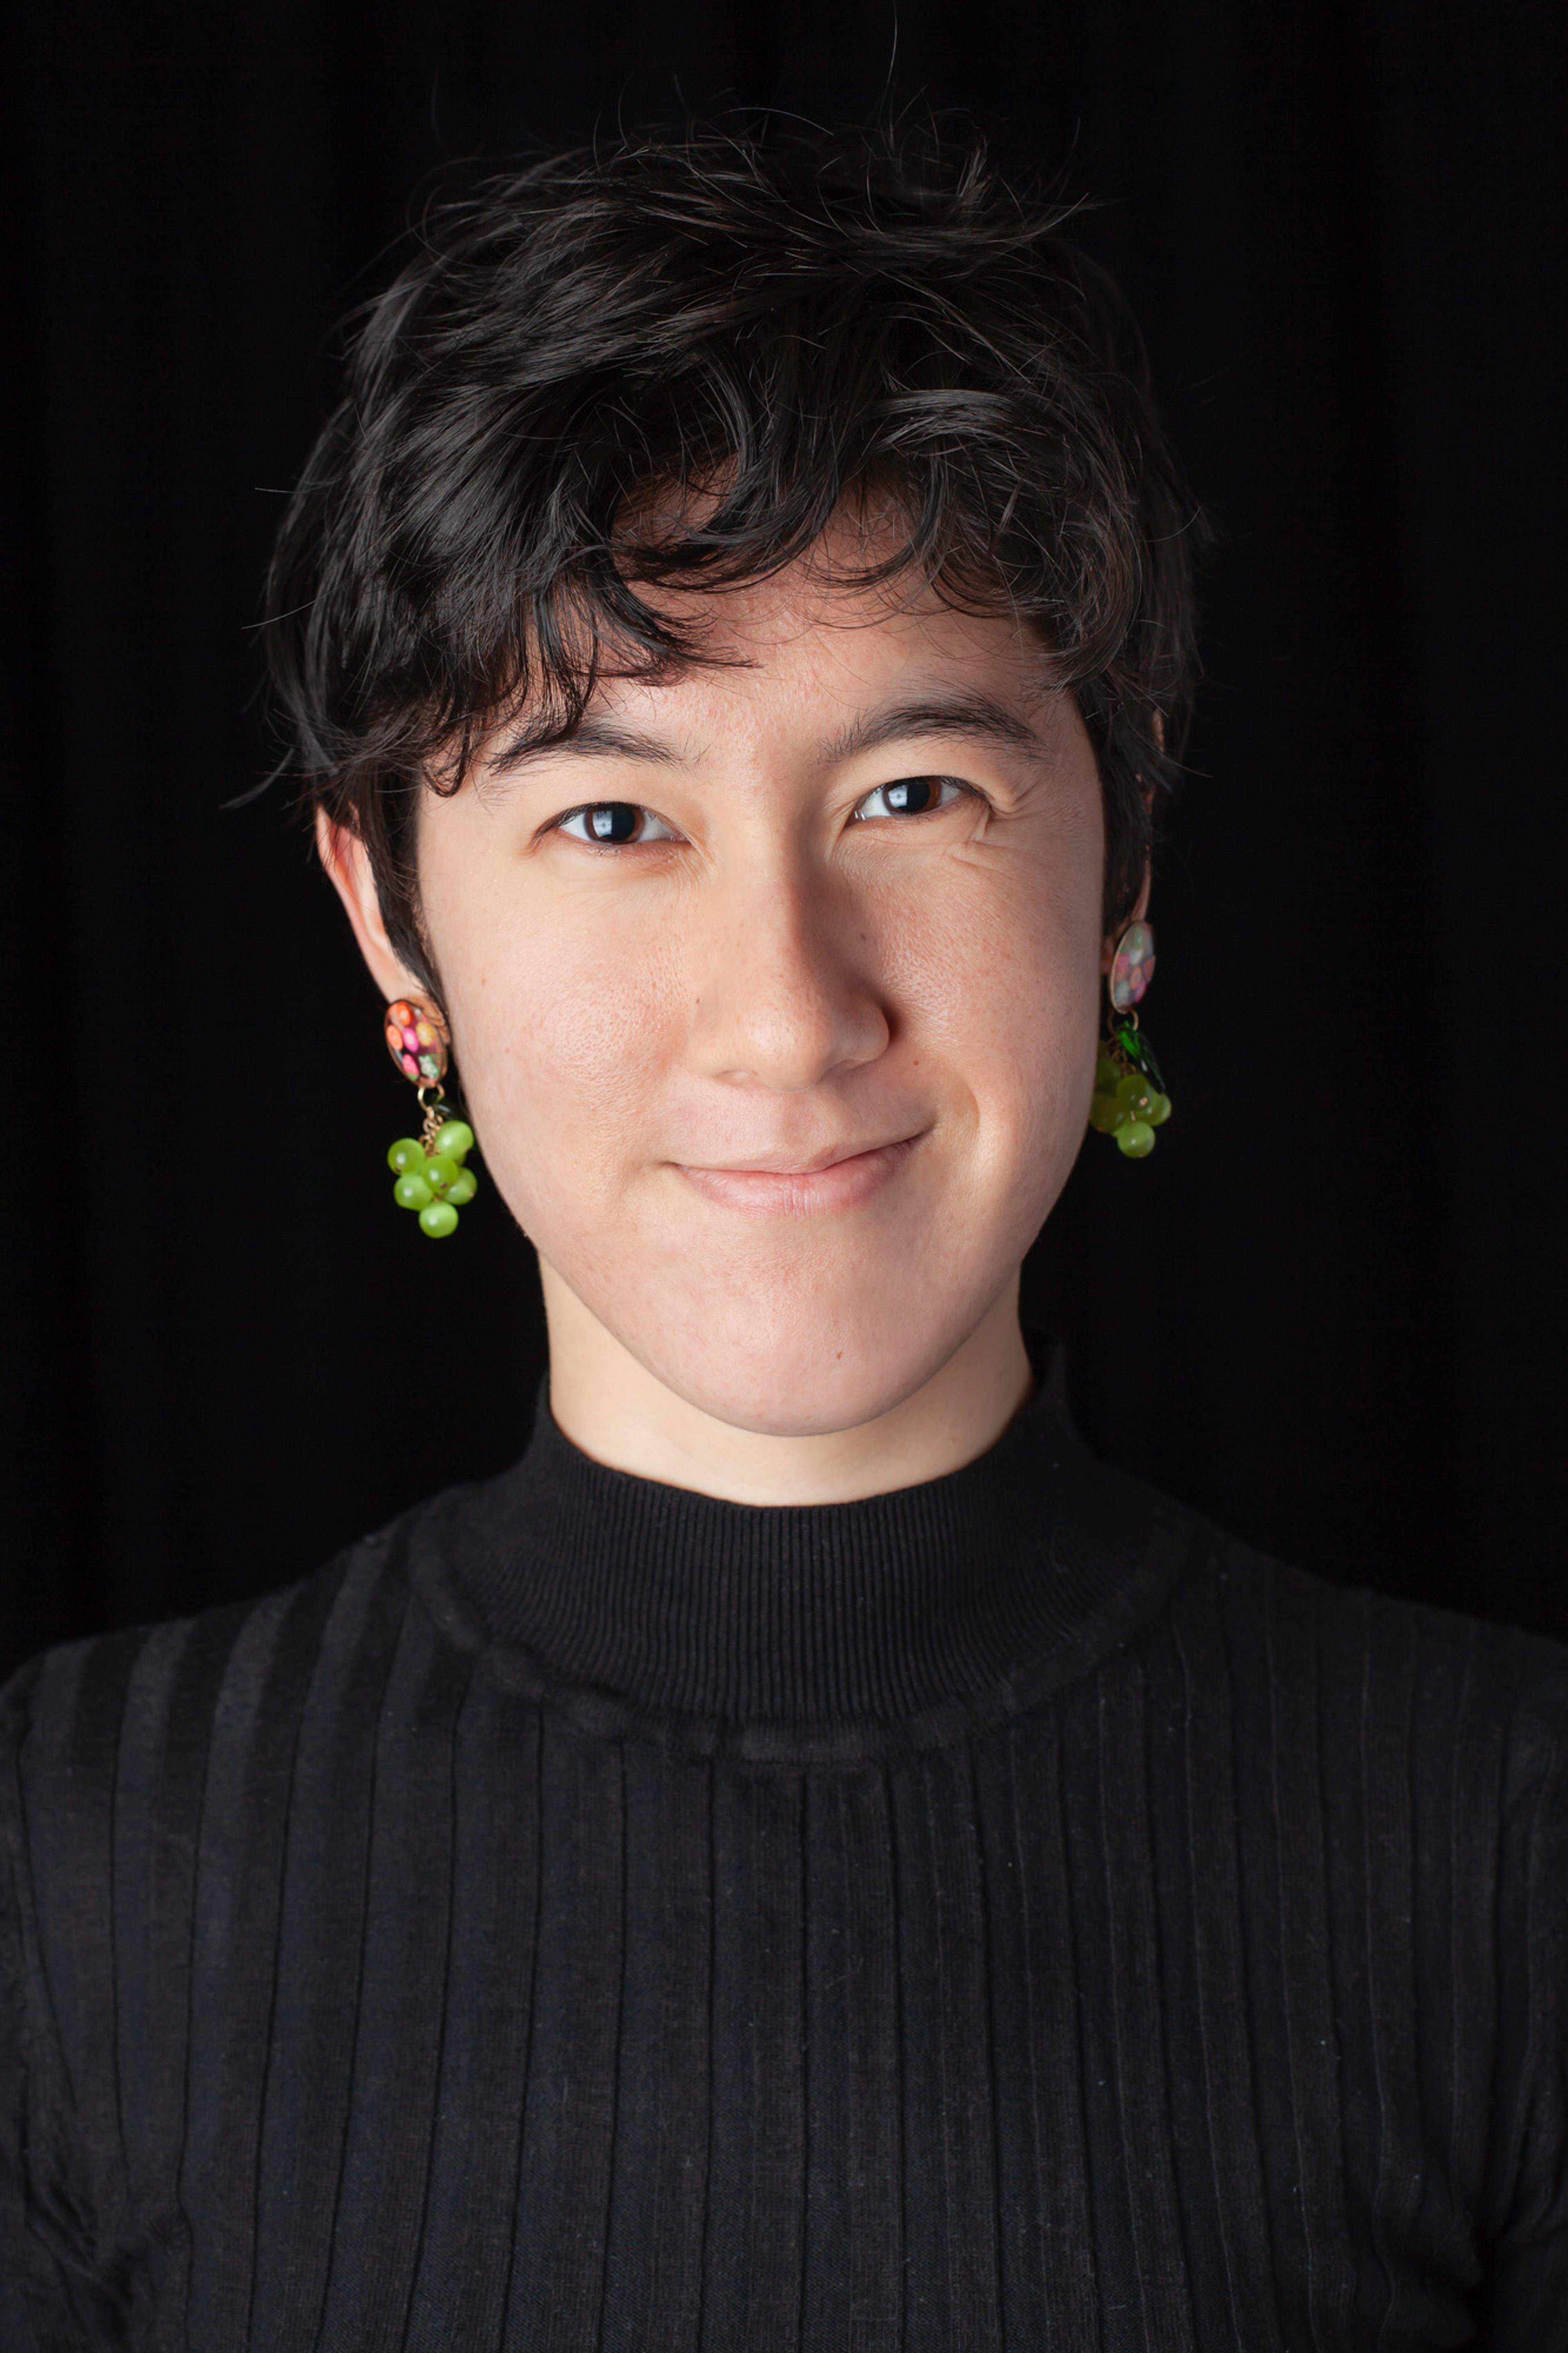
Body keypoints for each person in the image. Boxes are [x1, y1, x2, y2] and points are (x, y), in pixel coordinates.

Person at [2, 133, 1563, 2352]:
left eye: (914, 794)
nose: (786, 1009)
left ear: (1121, 866)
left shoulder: (1511, 1848)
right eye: (612, 816)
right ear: (389, 916)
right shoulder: (64, 1868)